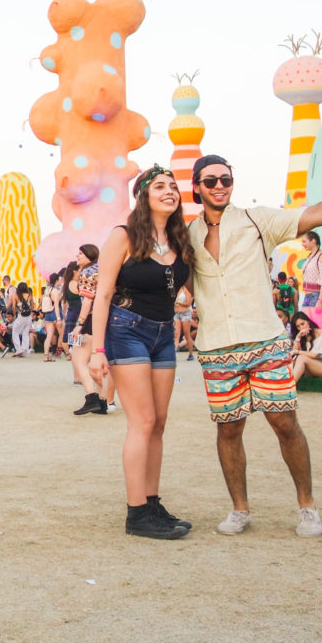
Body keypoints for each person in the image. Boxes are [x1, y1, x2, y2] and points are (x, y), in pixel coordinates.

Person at [188, 153, 322, 538]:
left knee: (284, 422)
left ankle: (307, 507)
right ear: (197, 186)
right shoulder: (188, 234)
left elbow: (314, 214)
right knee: (229, 430)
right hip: (217, 347)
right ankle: (239, 509)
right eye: (210, 181)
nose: (219, 186)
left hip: (265, 340)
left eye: (225, 179)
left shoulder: (256, 220)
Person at [89, 165, 193, 539]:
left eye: (173, 187)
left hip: (165, 333)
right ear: (143, 195)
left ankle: (151, 502)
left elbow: (186, 285)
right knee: (143, 421)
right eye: (160, 186)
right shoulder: (124, 236)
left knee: (159, 422)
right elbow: (103, 294)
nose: (169, 191)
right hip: (126, 329)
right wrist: (97, 349)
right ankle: (137, 514)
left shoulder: (181, 238)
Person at [70, 244, 108, 416]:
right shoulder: (102, 269)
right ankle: (102, 401)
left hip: (91, 320)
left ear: (89, 255)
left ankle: (91, 397)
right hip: (105, 318)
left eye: (80, 253)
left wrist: (79, 324)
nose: (77, 256)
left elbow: (87, 301)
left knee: (79, 359)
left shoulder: (87, 272)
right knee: (98, 360)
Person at [287, 312, 322, 383]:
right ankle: (279, 384)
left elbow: (314, 355)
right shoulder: (303, 336)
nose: (301, 328)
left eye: (302, 324)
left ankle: (289, 386)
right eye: (298, 326)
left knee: (301, 357)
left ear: (308, 322)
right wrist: (298, 337)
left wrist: (297, 352)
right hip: (313, 366)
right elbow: (294, 354)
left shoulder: (320, 333)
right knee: (292, 360)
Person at [298, 232, 322, 328]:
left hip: (317, 295)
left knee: (317, 326)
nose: (302, 244)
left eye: (304, 241)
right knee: (305, 325)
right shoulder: (309, 256)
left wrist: (320, 300)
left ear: (313, 240)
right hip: (308, 295)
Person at [173, 285, 197, 360]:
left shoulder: (186, 289)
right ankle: (173, 354)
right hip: (177, 313)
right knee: (176, 335)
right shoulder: (175, 289)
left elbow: (189, 303)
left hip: (185, 313)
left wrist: (179, 303)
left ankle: (190, 354)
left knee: (187, 334)